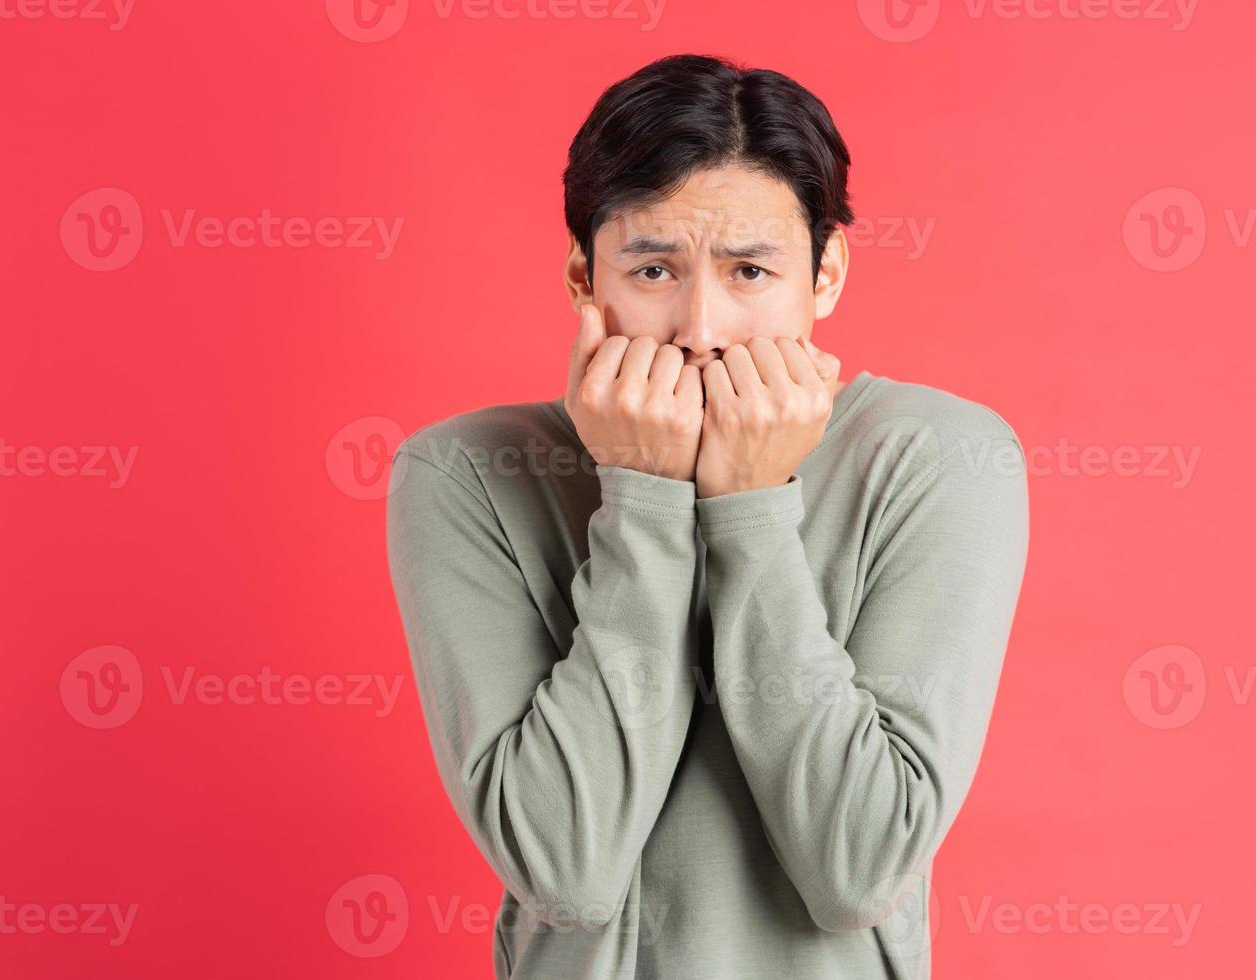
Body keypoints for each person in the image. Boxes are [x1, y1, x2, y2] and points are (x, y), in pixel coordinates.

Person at [386, 52, 1029, 980]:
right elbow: (563, 871)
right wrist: (642, 498)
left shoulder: (937, 458)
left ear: (827, 274)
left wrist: (752, 508)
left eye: (751, 272)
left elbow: (859, 869)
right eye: (652, 268)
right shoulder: (467, 472)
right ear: (582, 278)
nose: (702, 327)